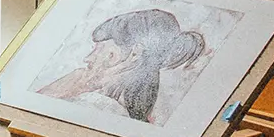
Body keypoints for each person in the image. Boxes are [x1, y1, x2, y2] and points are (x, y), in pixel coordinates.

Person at [38, 8, 205, 123]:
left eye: (100, 50)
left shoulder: (97, 105)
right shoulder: (117, 110)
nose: (88, 59)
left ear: (134, 54)